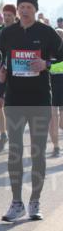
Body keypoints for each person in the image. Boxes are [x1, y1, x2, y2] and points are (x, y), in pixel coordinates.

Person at [0, 0, 63, 222]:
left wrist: (46, 63)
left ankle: (35, 201)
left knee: (38, 152)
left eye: (28, 7)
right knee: (14, 152)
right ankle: (17, 203)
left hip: (40, 100)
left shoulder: (47, 33)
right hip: (14, 100)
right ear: (17, 9)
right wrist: (1, 74)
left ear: (35, 9)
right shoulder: (7, 33)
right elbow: (1, 60)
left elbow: (61, 58)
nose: (24, 10)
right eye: (21, 6)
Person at [0, 3, 18, 151]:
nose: (6, 18)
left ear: (15, 16)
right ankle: (3, 134)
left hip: (17, 71)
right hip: (0, 70)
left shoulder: (21, 29)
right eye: (5, 15)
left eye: (9, 15)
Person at [52, 28, 63, 157]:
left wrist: (47, 65)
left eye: (60, 35)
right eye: (56, 35)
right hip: (50, 87)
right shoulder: (46, 49)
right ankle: (56, 146)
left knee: (61, 122)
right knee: (52, 118)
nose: (58, 37)